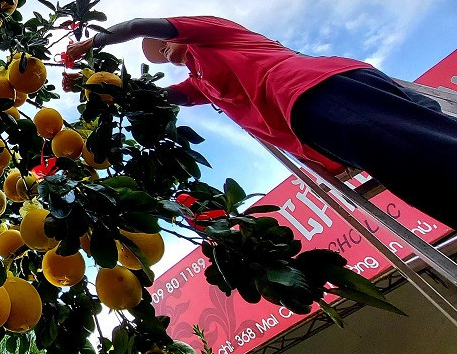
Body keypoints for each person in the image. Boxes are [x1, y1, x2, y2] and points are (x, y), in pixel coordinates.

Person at [64, 15, 457, 230]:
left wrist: (93, 43)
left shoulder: (215, 34)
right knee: (420, 178)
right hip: (309, 116)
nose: (165, 50)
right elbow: (156, 98)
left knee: (424, 157)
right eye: (162, 54)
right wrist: (90, 82)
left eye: (165, 43)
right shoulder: (202, 83)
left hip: (312, 89)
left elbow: (136, 26)